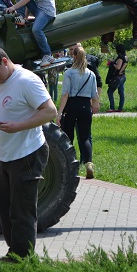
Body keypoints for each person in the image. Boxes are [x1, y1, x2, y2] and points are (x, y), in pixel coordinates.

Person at [0, 46, 57, 262]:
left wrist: (19, 126)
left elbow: (50, 112)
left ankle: (23, 258)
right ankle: (15, 253)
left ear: (5, 61)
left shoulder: (27, 81)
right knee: (2, 205)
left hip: (28, 153)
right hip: (6, 155)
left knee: (22, 210)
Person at [5, 0, 57, 66]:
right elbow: (29, 2)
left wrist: (13, 7)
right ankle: (20, 18)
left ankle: (48, 55)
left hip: (46, 11)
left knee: (36, 29)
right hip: (39, 9)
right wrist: (25, 16)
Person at [57, 47, 98, 179]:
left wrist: (59, 113)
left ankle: (70, 165)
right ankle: (89, 164)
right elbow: (94, 95)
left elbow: (65, 94)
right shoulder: (91, 74)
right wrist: (94, 106)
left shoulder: (69, 73)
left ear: (74, 57)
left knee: (68, 136)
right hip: (86, 106)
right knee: (85, 137)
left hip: (72, 106)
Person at [106, 44, 128, 112]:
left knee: (110, 92)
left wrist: (112, 63)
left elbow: (118, 67)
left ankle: (112, 107)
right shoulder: (126, 57)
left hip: (117, 78)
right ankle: (120, 108)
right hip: (123, 76)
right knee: (121, 92)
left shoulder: (120, 58)